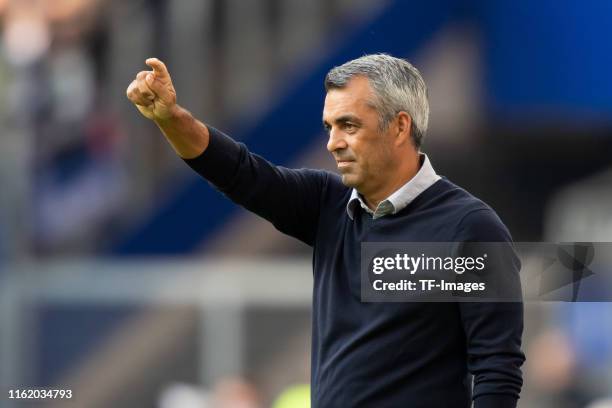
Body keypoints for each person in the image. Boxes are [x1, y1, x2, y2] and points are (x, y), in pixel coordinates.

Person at [126, 54, 525, 407]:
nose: (333, 143)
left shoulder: (470, 226)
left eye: (348, 125)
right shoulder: (328, 205)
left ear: (400, 127)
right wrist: (171, 118)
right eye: (329, 126)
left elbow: (497, 369)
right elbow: (240, 172)